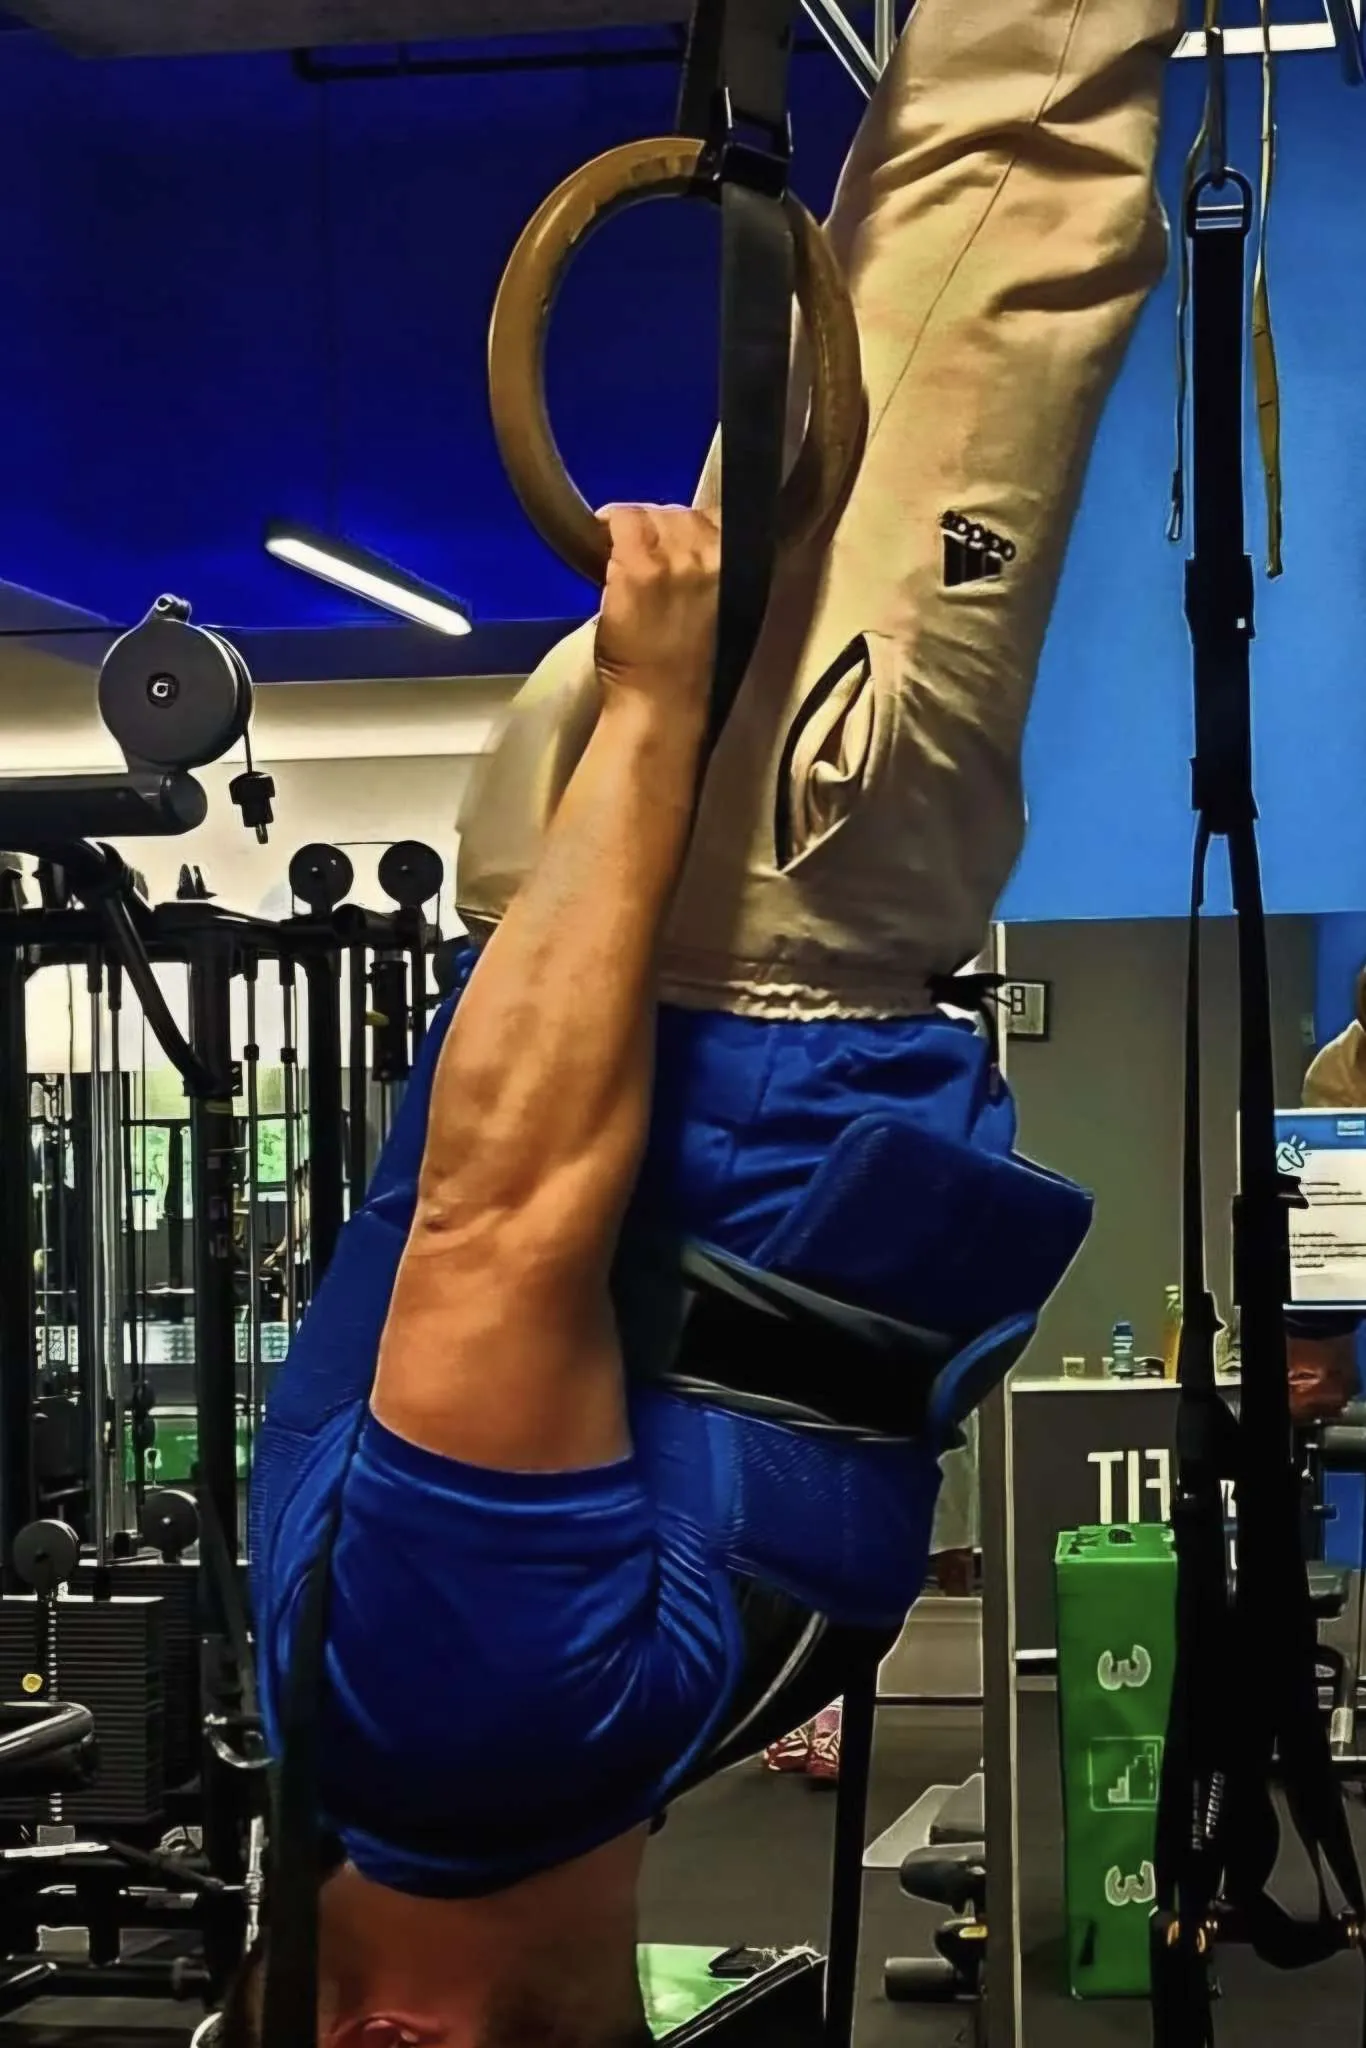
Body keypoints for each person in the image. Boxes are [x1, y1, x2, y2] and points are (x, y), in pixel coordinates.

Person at [243, 3, 1183, 2044]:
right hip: (717, 908)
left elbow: (502, 1221)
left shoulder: (460, 1729)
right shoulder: (508, 1769)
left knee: (1018, 148)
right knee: (953, 190)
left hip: (750, 894)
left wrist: (661, 714)